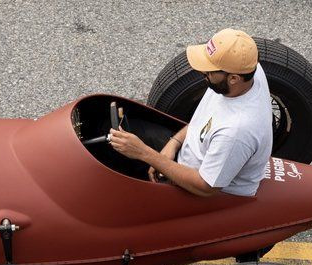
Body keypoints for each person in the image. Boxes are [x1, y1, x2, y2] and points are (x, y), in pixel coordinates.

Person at [109, 29, 274, 197]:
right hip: (186, 154)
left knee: (113, 183)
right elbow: (204, 119)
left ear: (233, 78)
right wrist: (173, 144)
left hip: (200, 190)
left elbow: (206, 187)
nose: (203, 73)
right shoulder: (248, 69)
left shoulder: (237, 131)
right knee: (108, 130)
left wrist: (144, 153)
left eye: (209, 70)